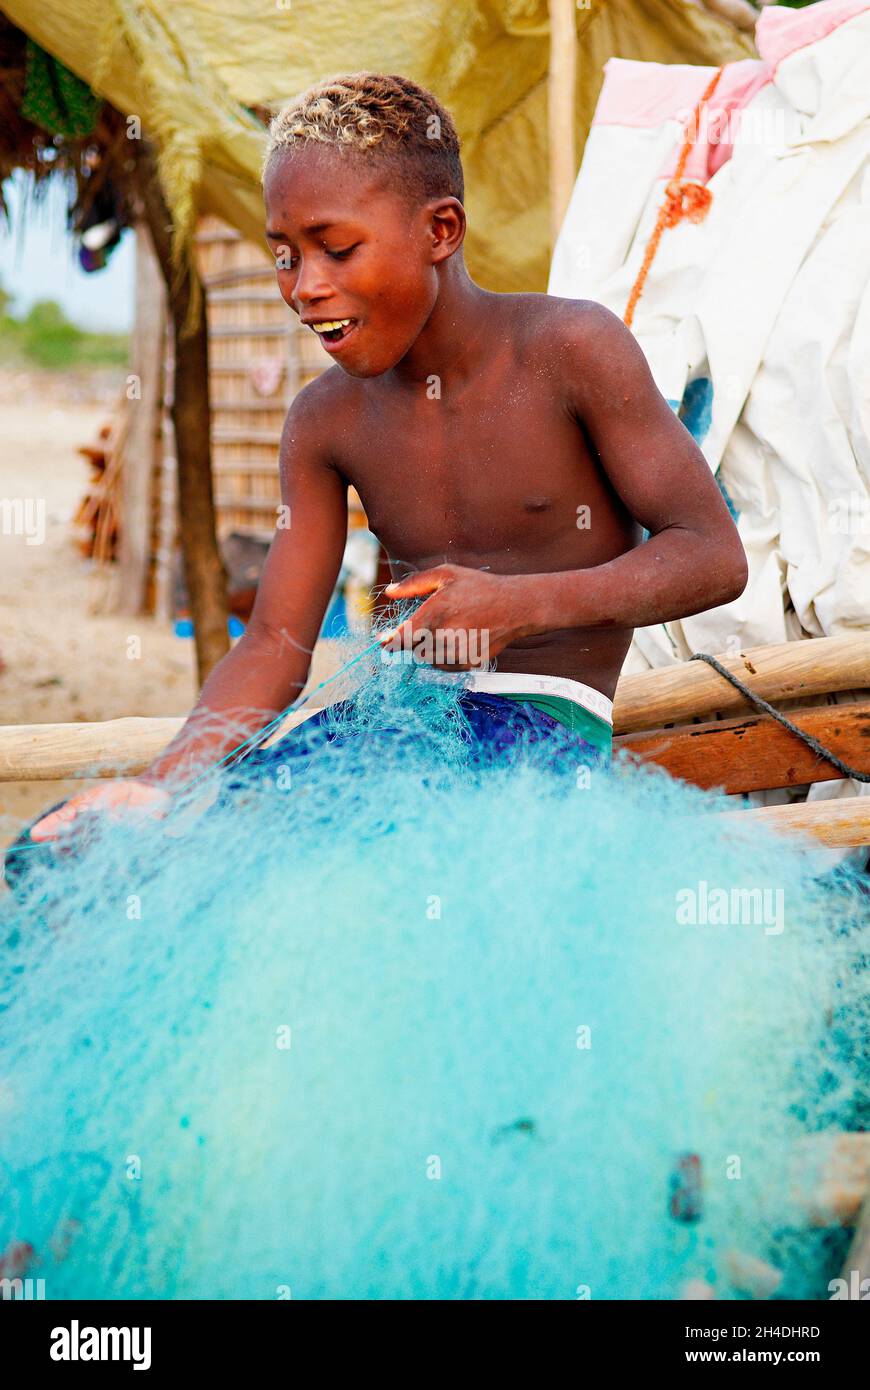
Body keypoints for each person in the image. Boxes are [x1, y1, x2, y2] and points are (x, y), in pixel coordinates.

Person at [11, 71, 747, 874]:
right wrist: (161, 786)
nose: (304, 287)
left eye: (337, 247)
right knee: (77, 855)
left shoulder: (571, 350)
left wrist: (519, 606)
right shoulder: (325, 419)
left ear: (441, 230)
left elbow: (712, 554)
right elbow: (275, 643)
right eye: (285, 255)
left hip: (535, 749)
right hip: (384, 735)